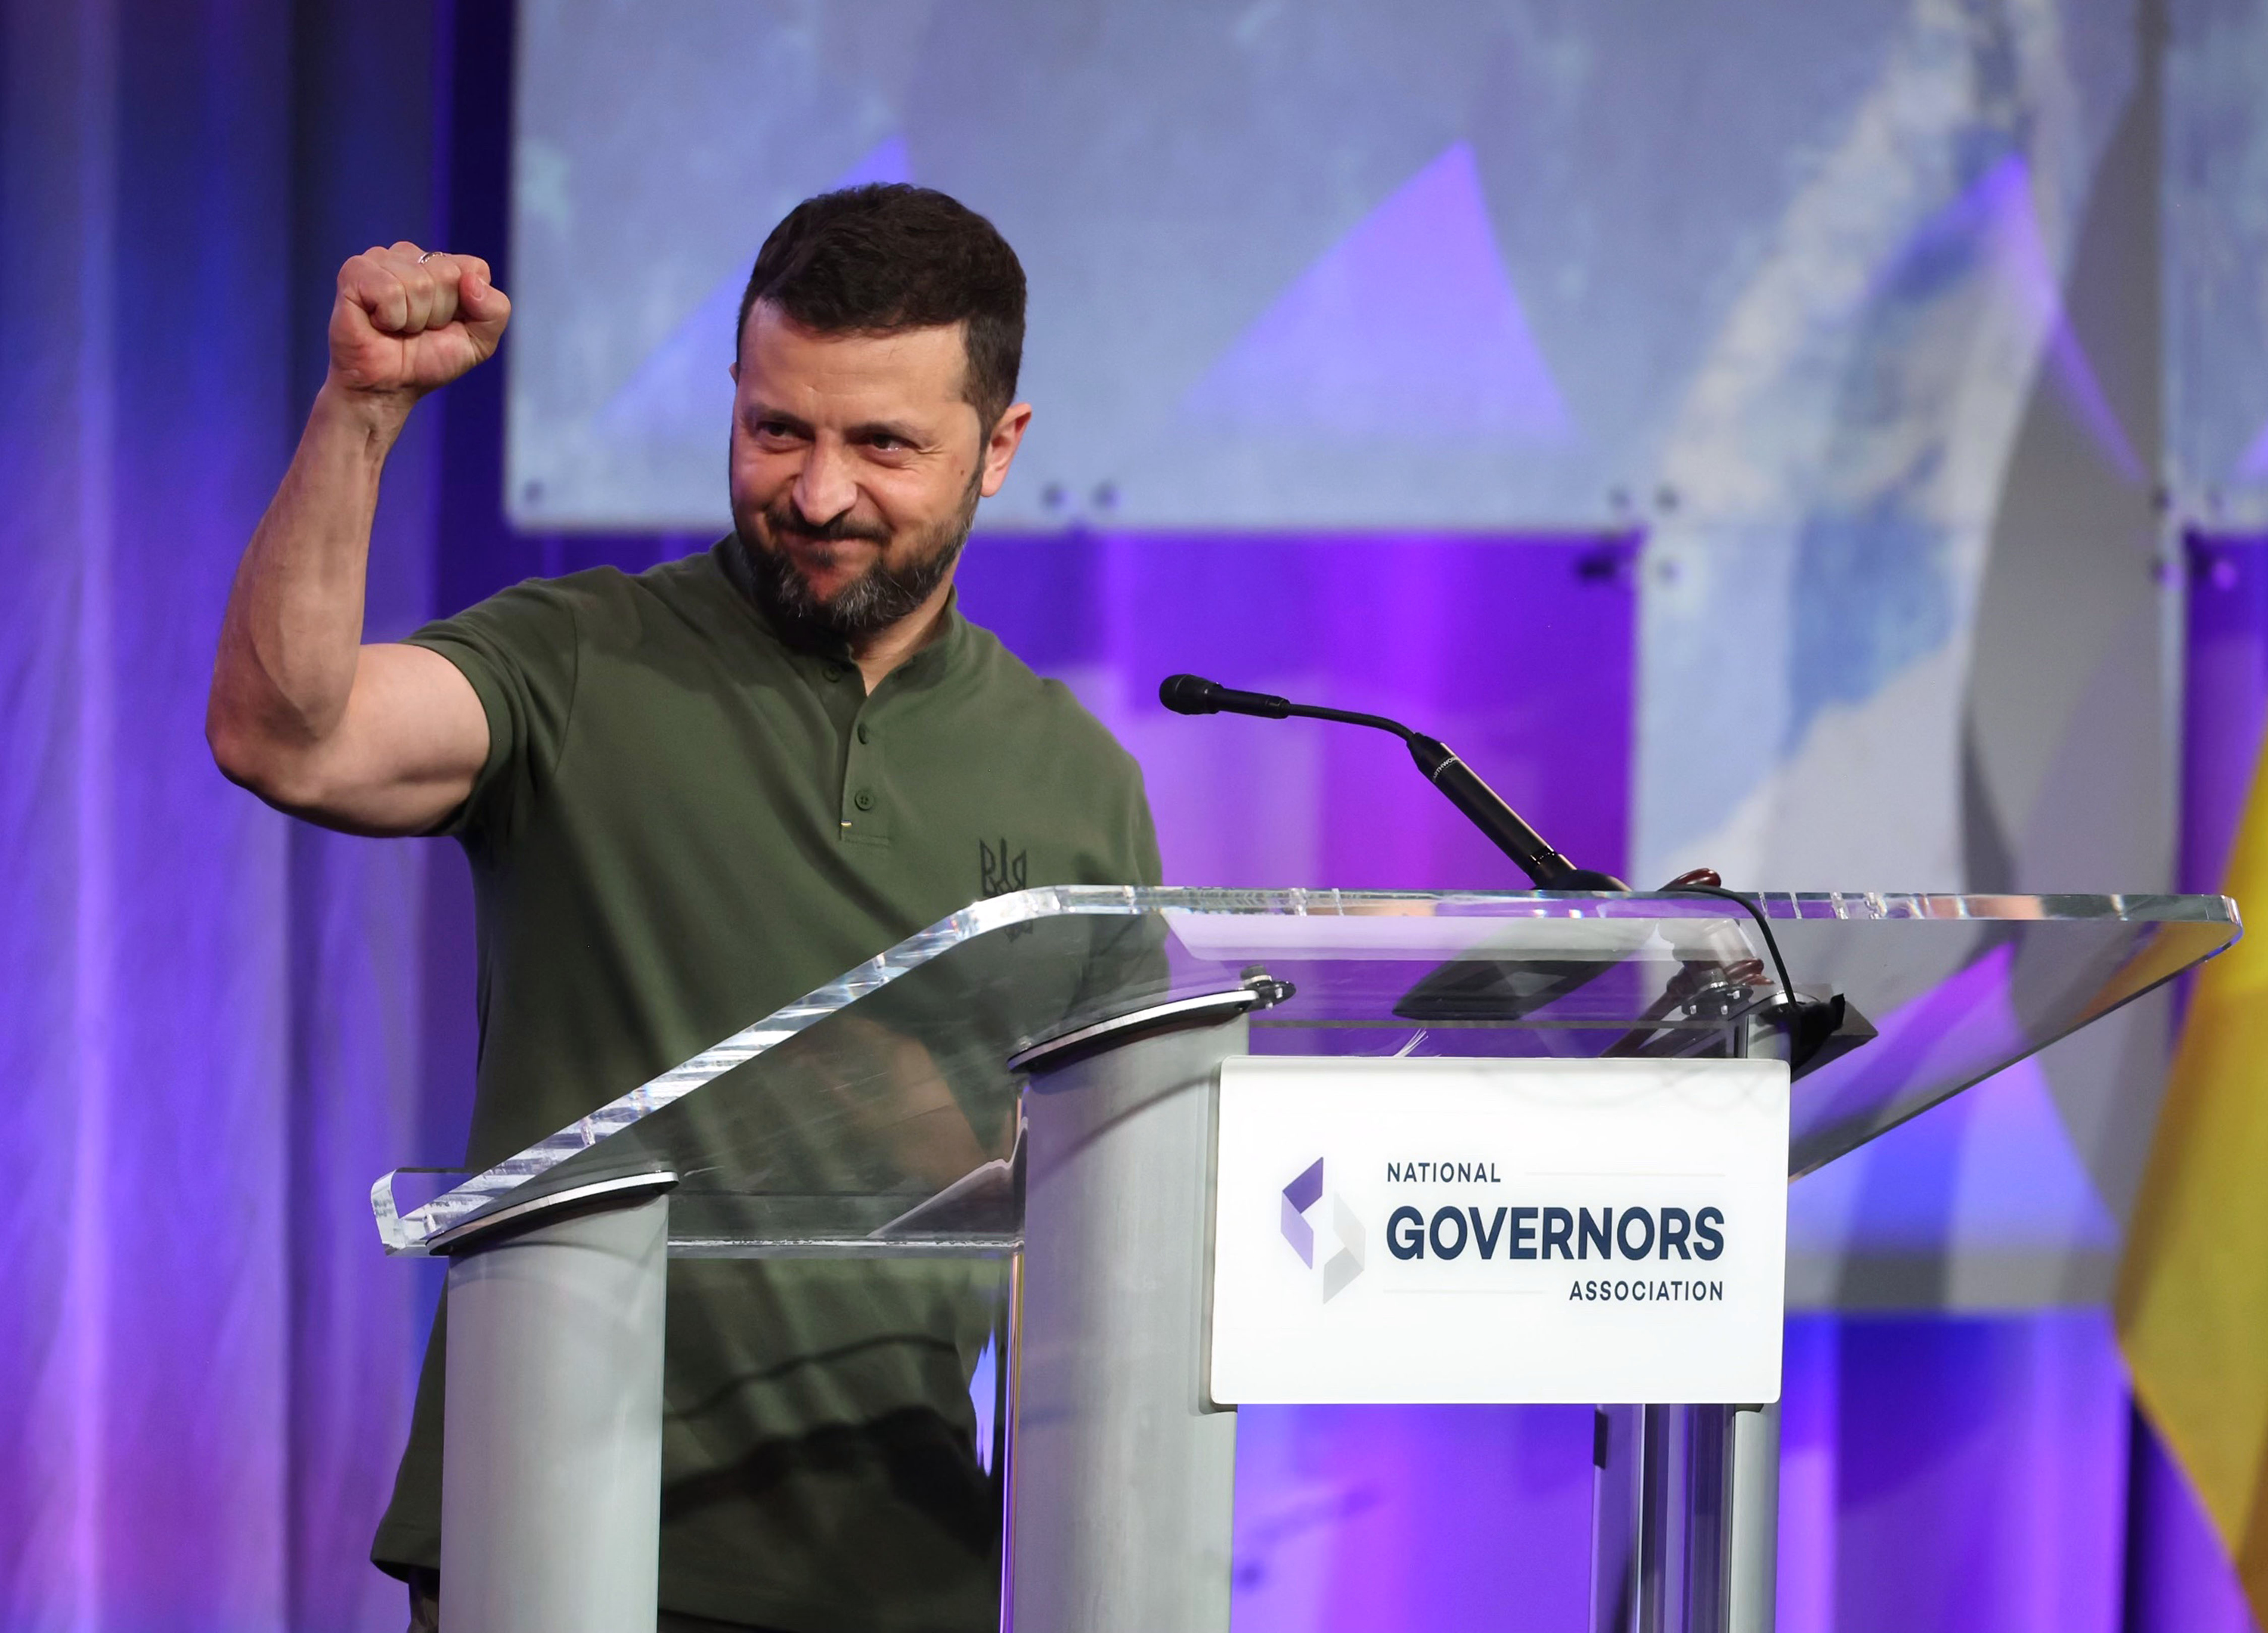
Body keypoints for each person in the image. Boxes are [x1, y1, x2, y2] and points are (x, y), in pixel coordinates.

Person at [208, 186, 1161, 1631]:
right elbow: (286, 735)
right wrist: (359, 412)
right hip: (550, 1547)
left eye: (884, 445)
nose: (822, 491)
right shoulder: (580, 663)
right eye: (779, 429)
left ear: (1000, 448)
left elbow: (1113, 1224)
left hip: (904, 1579)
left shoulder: (1079, 784)